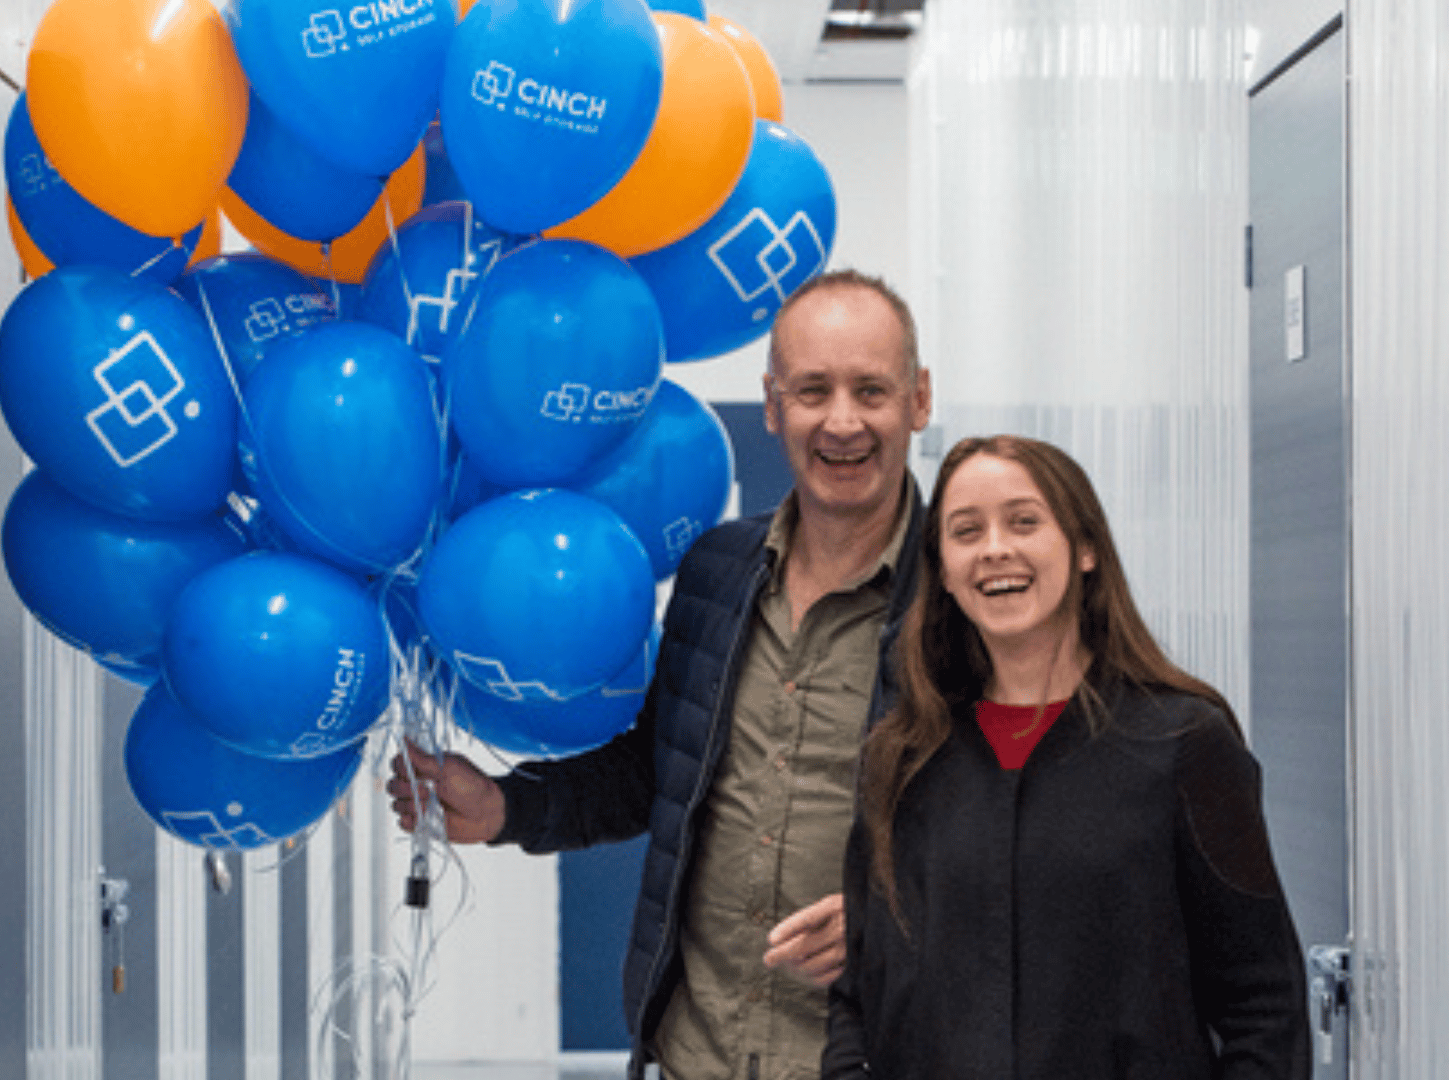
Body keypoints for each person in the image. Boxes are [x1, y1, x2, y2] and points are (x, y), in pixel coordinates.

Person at [387, 268, 934, 1080]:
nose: (843, 421)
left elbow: (1025, 851)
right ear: (774, 403)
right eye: (813, 390)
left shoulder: (957, 608)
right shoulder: (718, 574)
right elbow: (656, 772)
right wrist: (505, 804)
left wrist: (896, 922)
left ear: (919, 400)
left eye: (872, 390)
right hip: (691, 1054)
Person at [823, 435, 1310, 1080]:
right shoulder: (901, 758)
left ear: (1083, 548)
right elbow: (860, 989)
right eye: (966, 531)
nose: (996, 548)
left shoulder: (1188, 744)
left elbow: (1263, 1006)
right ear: (941, 567)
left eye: (1025, 522)